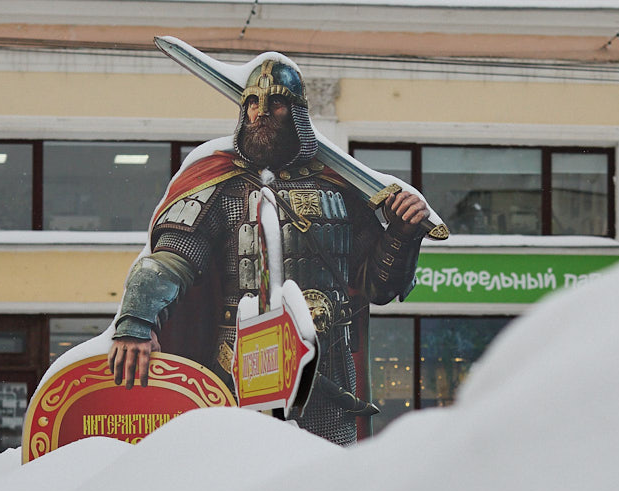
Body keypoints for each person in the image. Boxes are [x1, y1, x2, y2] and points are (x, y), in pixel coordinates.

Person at [108, 54, 431, 446]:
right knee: (242, 464)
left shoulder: (341, 191)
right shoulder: (224, 186)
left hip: (327, 372)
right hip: (239, 365)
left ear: (297, 113)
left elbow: (377, 287)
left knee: (328, 472)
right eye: (251, 103)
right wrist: (137, 322)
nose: (260, 112)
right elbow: (170, 261)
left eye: (275, 102)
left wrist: (403, 232)